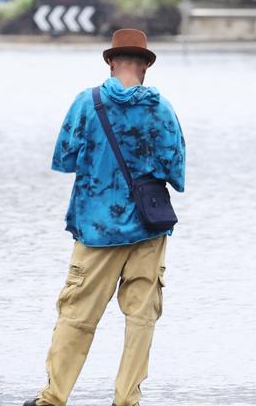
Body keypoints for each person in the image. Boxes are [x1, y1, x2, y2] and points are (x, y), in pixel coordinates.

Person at [23, 29, 186, 406]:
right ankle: (127, 399)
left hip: (95, 228)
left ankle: (53, 397)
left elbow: (63, 159)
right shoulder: (161, 109)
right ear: (145, 67)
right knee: (141, 316)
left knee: (78, 314)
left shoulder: (87, 103)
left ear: (111, 63)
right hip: (148, 229)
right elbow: (176, 172)